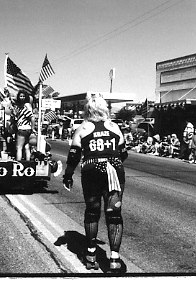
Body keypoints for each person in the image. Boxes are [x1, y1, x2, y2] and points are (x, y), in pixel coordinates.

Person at [62, 94, 128, 273]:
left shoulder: (83, 127)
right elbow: (123, 153)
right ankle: (114, 258)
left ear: (88, 110)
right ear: (105, 109)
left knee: (92, 211)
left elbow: (74, 155)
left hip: (91, 170)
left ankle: (91, 254)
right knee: (114, 214)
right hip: (114, 170)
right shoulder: (114, 127)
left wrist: (68, 175)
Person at [11, 90, 35, 161]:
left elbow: (32, 118)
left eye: (23, 96)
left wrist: (32, 128)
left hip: (22, 128)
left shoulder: (24, 108)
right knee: (26, 146)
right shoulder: (22, 108)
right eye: (20, 96)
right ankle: (28, 162)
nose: (22, 98)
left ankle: (19, 163)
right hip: (28, 129)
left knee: (19, 148)